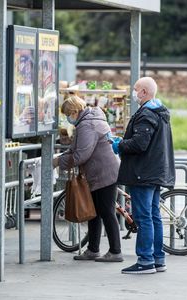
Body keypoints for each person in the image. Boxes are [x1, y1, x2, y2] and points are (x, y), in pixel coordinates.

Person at [111, 77, 175, 274]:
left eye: (136, 89)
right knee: (153, 216)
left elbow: (140, 144)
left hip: (142, 173)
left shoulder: (146, 114)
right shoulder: (161, 113)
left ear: (144, 92)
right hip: (155, 171)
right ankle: (158, 259)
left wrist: (118, 144)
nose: (134, 92)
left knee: (144, 217)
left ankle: (145, 260)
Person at [53, 95, 123, 262]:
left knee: (106, 211)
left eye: (68, 114)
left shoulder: (87, 125)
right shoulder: (90, 120)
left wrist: (58, 162)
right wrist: (61, 158)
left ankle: (115, 251)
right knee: (94, 212)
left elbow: (81, 155)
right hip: (100, 172)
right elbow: (76, 149)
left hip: (104, 173)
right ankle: (93, 249)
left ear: (75, 111)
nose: (68, 119)